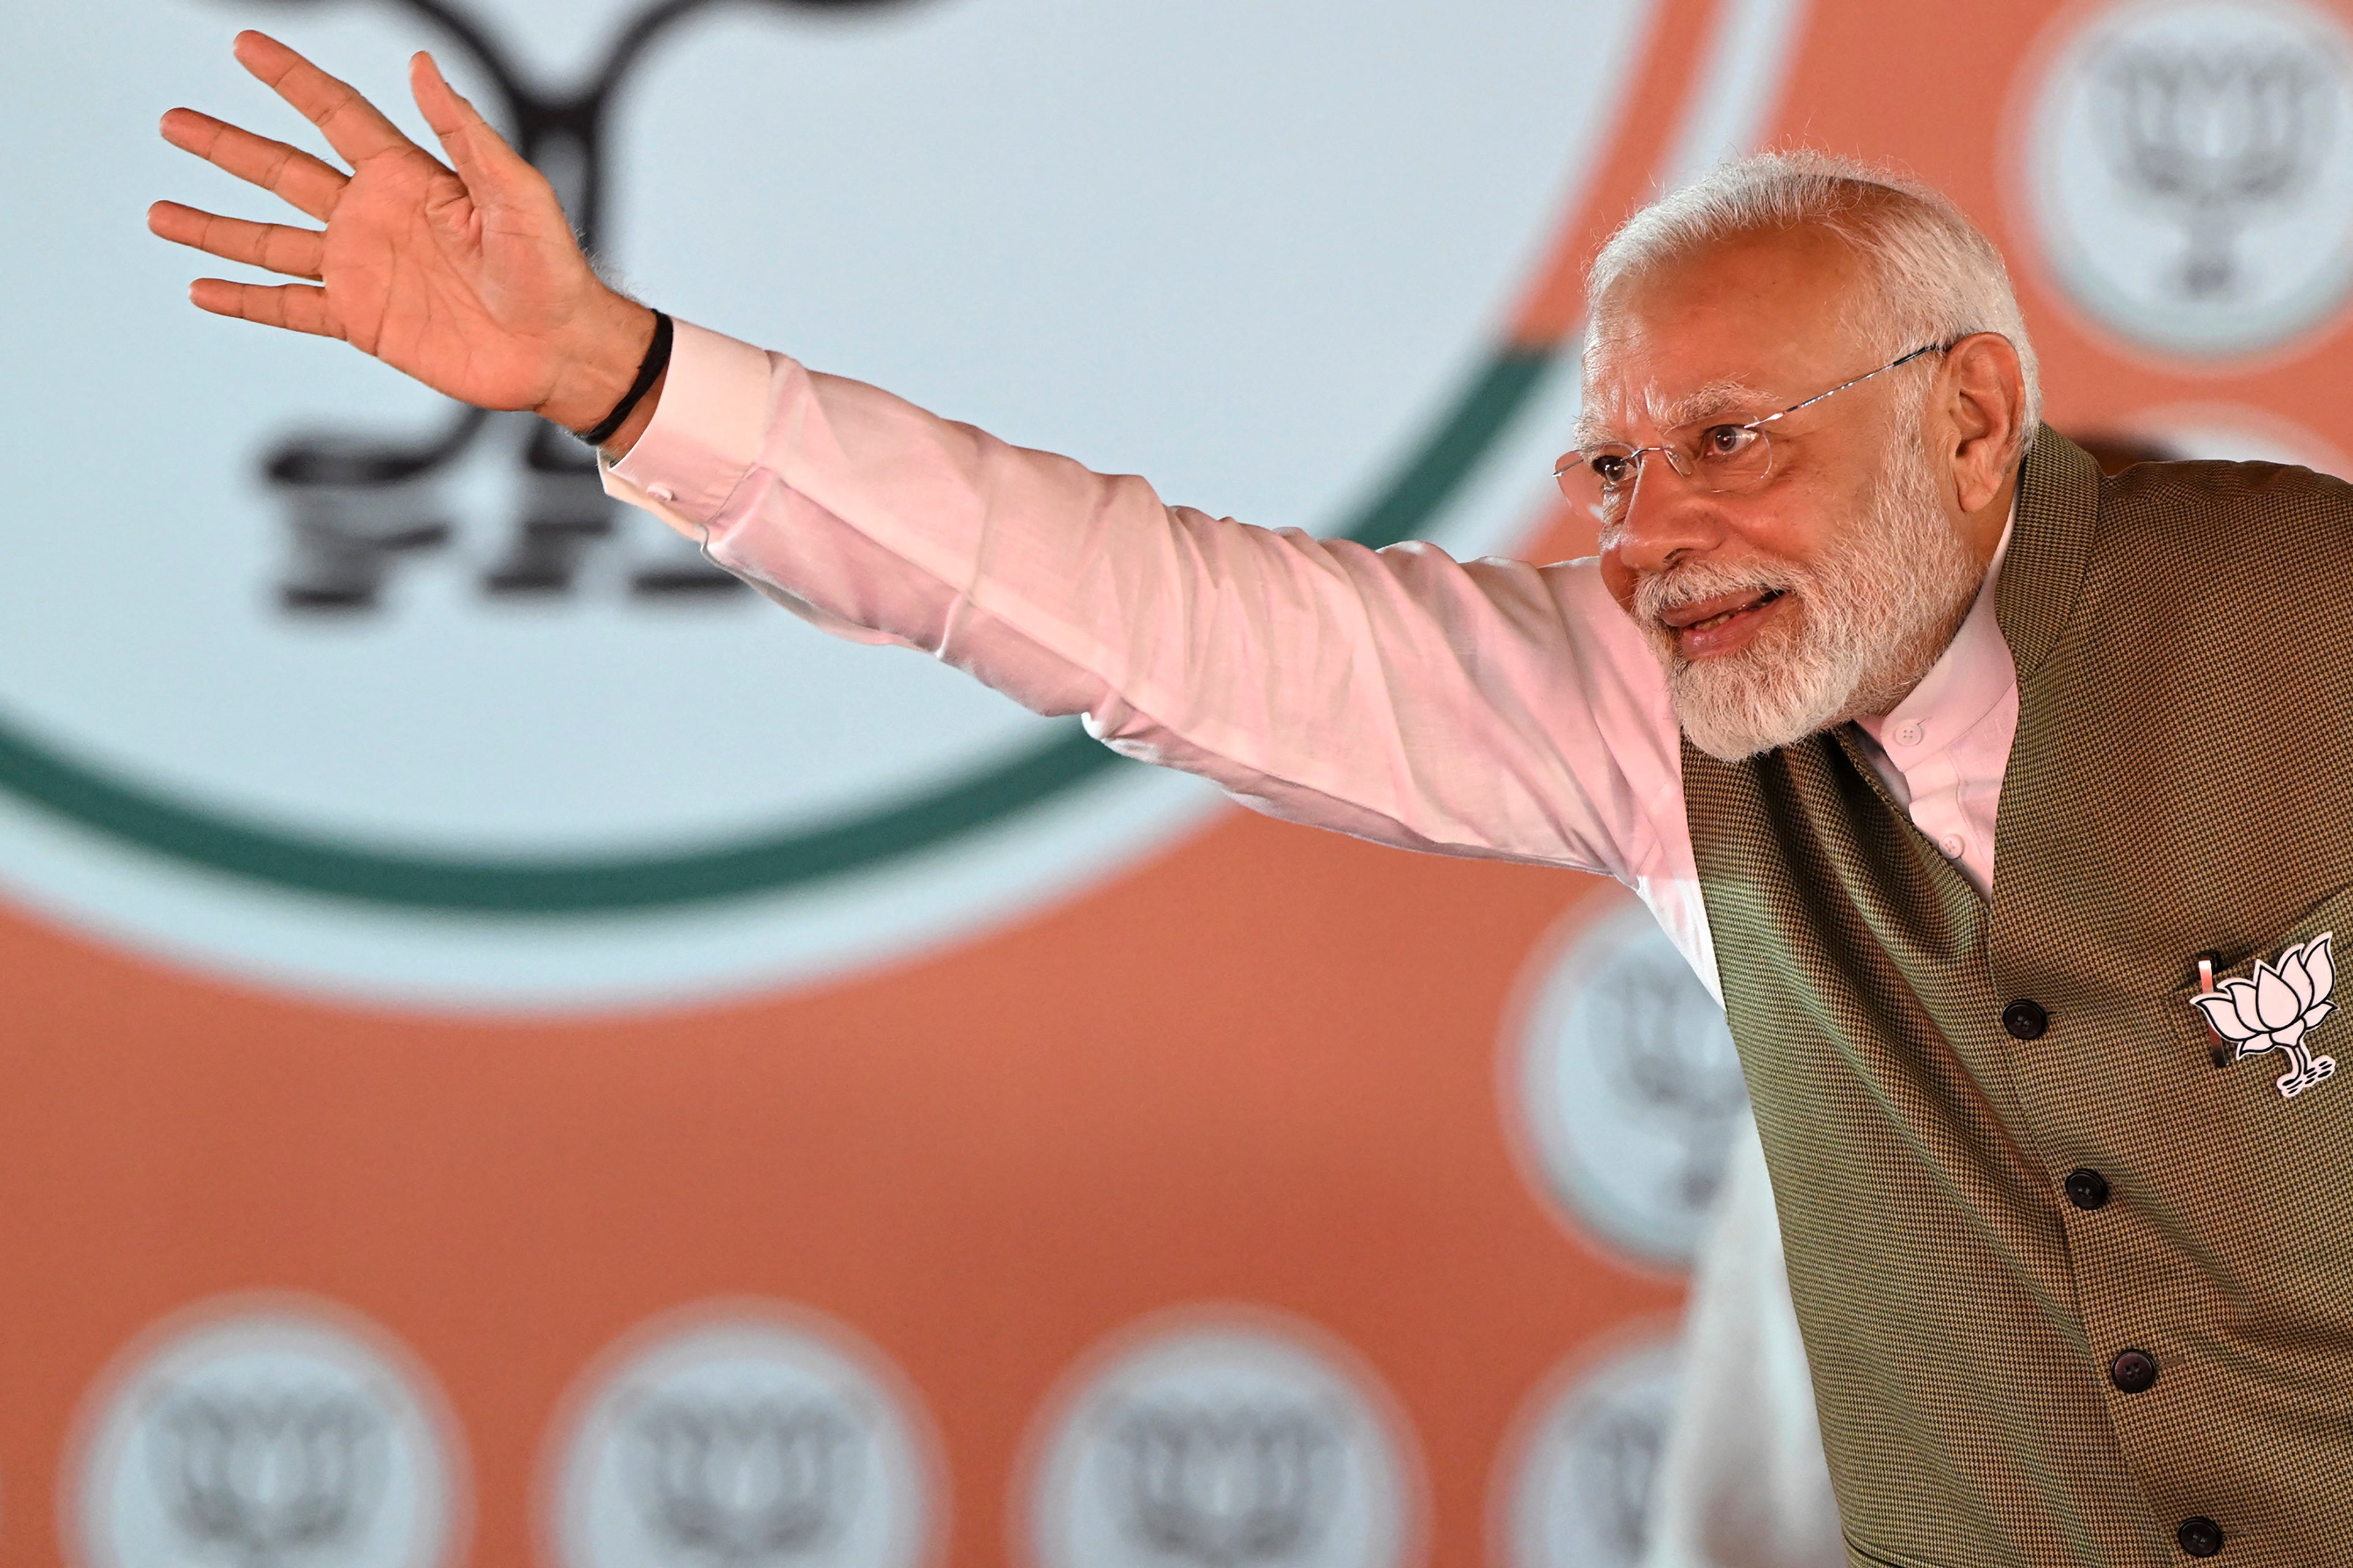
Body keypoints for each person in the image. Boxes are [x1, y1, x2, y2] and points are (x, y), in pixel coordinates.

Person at [148, 32, 2353, 1568]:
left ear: (1973, 422)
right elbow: (1137, 611)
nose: (1651, 529)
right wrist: (617, 377)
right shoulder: (1641, 719)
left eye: (1733, 443)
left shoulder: (2305, 617)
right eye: (1613, 463)